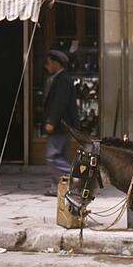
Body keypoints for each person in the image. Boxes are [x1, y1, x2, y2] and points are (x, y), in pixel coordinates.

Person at [42, 50, 79, 197]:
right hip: (64, 125)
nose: (46, 66)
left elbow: (60, 103)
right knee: (61, 156)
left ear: (57, 63)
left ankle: (76, 178)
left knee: (52, 156)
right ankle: (56, 187)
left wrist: (51, 121)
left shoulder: (62, 79)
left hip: (61, 125)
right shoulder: (58, 78)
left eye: (49, 62)